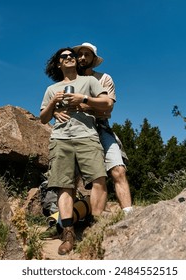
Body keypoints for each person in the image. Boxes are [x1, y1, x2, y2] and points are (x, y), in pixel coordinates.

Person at [40, 47, 113, 255]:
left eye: (72, 55)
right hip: (61, 139)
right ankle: (68, 233)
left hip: (87, 136)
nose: (70, 58)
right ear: (58, 64)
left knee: (99, 179)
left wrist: (83, 99)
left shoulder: (89, 82)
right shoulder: (51, 89)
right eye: (65, 56)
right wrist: (54, 103)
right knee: (65, 186)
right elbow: (43, 118)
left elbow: (107, 103)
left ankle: (96, 227)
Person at [55, 42, 133, 215]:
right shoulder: (69, 79)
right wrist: (55, 113)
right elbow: (57, 103)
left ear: (93, 59)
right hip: (75, 130)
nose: (82, 58)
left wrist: (84, 101)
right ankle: (66, 221)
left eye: (87, 55)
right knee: (70, 178)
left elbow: (108, 106)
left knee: (118, 169)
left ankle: (129, 215)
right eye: (80, 54)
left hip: (101, 127)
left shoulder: (104, 78)